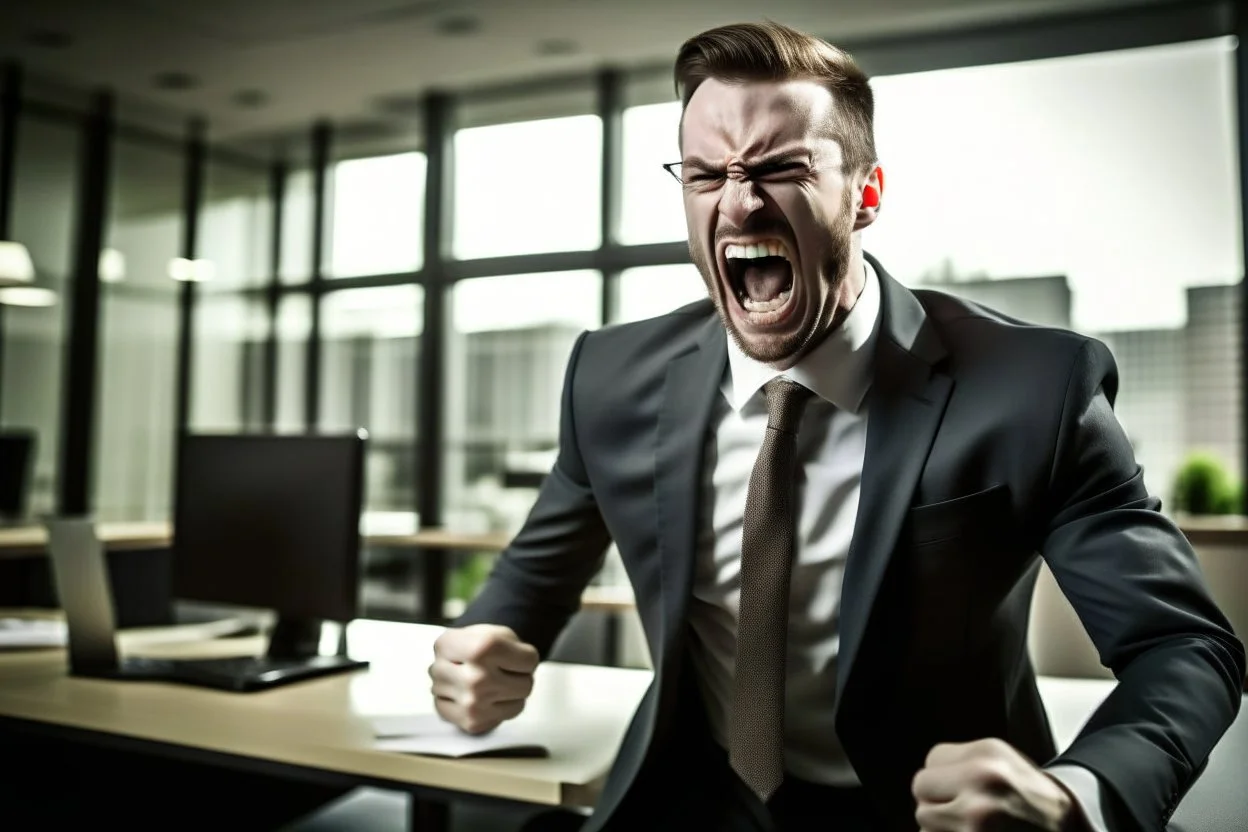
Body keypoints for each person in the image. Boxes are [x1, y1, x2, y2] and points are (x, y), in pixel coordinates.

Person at [428, 21, 1245, 832]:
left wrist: (1077, 795)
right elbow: (525, 589)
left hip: (931, 817)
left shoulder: (1034, 389)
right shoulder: (610, 378)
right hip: (692, 798)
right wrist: (478, 649)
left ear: (866, 195)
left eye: (781, 168)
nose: (740, 202)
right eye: (706, 174)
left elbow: (1183, 648)